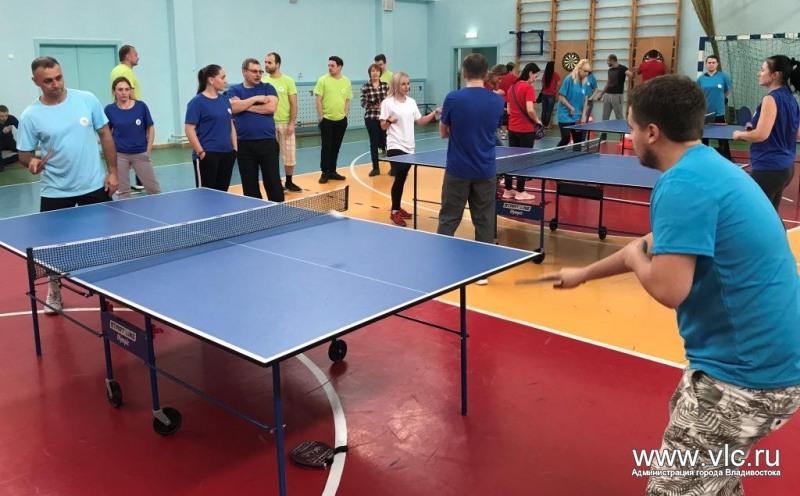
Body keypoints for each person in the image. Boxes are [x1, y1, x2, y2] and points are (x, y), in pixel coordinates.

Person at [545, 74, 800, 496]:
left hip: (745, 376)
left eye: (631, 128)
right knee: (717, 480)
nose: (629, 137)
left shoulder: (681, 184)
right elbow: (651, 244)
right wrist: (584, 274)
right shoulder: (710, 167)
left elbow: (668, 289)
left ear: (652, 132)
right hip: (773, 363)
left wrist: (633, 259)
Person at [17, 56, 118, 314]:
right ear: (35, 82)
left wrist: (113, 172)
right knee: (53, 247)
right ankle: (54, 289)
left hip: (94, 186)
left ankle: (111, 288)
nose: (56, 84)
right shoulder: (30, 115)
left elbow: (105, 134)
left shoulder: (87, 99)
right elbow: (24, 154)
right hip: (55, 191)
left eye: (59, 77)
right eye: (48, 81)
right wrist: (31, 162)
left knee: (106, 239)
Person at [437, 53, 505, 285]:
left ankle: (441, 266)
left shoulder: (453, 98)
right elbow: (491, 129)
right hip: (485, 170)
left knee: (449, 217)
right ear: (486, 74)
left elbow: (443, 132)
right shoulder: (497, 101)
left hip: (457, 169)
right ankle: (482, 273)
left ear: (464, 72)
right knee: (484, 220)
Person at [732, 55, 800, 210]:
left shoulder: (771, 99)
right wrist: (754, 126)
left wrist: (740, 134)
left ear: (775, 75)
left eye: (762, 70)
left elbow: (761, 135)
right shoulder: (791, 99)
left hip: (769, 168)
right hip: (786, 168)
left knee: (754, 215)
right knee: (770, 216)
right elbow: (797, 132)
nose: (759, 73)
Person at [379, 71, 439, 226]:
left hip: (410, 147)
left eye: (408, 84)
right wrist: (389, 121)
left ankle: (397, 207)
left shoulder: (411, 102)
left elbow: (420, 121)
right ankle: (394, 211)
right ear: (396, 85)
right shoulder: (387, 103)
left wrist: (434, 113)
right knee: (399, 175)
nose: (407, 87)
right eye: (403, 84)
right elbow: (383, 126)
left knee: (402, 177)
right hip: (395, 145)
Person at [228, 58, 284, 202]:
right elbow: (232, 108)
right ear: (244, 72)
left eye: (260, 71)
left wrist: (244, 106)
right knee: (249, 184)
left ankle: (279, 210)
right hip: (244, 144)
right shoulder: (234, 90)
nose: (258, 74)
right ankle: (255, 212)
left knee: (273, 181)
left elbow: (271, 108)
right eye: (254, 71)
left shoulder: (268, 88)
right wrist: (256, 99)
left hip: (268, 143)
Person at [104, 77, 161, 198]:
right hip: (120, 155)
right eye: (120, 90)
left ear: (130, 91)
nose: (124, 92)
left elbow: (150, 128)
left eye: (126, 89)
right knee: (123, 192)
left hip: (141, 154)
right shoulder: (109, 110)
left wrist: (148, 151)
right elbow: (106, 134)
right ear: (114, 91)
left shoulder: (141, 106)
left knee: (154, 190)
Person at [184, 64, 237, 191]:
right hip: (207, 155)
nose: (225, 81)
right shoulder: (196, 102)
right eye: (222, 77)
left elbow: (230, 124)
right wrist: (201, 153)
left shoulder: (224, 100)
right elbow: (189, 129)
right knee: (205, 196)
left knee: (222, 194)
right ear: (211, 80)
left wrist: (234, 149)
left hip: (227, 154)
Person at [503, 62, 542, 201]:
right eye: (535, 76)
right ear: (530, 73)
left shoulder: (512, 88)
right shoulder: (528, 88)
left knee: (512, 159)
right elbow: (530, 109)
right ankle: (520, 191)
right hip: (526, 130)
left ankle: (508, 190)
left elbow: (508, 110)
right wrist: (537, 121)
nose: (535, 79)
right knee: (524, 161)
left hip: (512, 129)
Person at [263, 52, 301, 192]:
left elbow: (293, 104)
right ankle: (276, 183)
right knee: (271, 156)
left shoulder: (288, 81)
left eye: (269, 62)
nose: (266, 65)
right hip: (269, 124)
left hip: (286, 124)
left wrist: (292, 123)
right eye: (265, 62)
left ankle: (289, 182)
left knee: (289, 155)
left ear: (277, 64)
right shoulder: (263, 81)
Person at [110, 44, 145, 191]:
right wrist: (137, 109)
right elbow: (131, 94)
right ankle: (138, 180)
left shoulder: (116, 70)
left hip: (122, 114)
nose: (138, 57)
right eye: (135, 54)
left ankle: (129, 181)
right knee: (135, 147)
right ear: (127, 56)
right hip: (131, 114)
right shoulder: (126, 71)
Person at [314, 56, 352, 184]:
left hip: (341, 120)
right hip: (327, 120)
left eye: (332, 65)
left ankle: (332, 171)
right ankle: (324, 172)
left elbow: (347, 100)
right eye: (329, 65)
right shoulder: (322, 80)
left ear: (339, 67)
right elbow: (318, 100)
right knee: (326, 147)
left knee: (336, 147)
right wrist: (321, 116)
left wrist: (345, 115)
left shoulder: (346, 82)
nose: (329, 67)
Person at [697, 55, 733, 159]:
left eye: (713, 62)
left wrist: (720, 100)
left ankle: (727, 158)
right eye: (709, 62)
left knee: (722, 138)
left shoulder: (723, 77)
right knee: (704, 138)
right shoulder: (701, 79)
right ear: (706, 64)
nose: (711, 64)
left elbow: (727, 91)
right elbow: (697, 94)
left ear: (717, 64)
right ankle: (703, 158)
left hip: (719, 113)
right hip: (705, 113)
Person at [361, 63, 389, 177]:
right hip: (371, 118)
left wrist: (384, 106)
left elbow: (390, 100)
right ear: (370, 73)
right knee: (374, 143)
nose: (375, 73)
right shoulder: (365, 87)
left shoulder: (385, 86)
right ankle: (375, 168)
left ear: (380, 73)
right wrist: (374, 106)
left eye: (377, 71)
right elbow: (363, 103)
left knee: (387, 142)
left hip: (384, 119)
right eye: (372, 71)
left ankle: (394, 167)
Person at [556, 59, 591, 147]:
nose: (587, 73)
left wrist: (584, 115)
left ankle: (577, 155)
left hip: (577, 116)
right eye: (585, 71)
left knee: (578, 141)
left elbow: (586, 99)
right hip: (564, 115)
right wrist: (570, 107)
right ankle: (555, 153)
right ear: (579, 69)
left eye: (588, 72)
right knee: (566, 139)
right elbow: (561, 97)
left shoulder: (585, 82)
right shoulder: (569, 79)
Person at [596, 54, 632, 121]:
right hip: (607, 95)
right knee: (605, 116)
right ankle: (604, 128)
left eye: (608, 61)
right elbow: (608, 83)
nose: (607, 62)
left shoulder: (622, 68)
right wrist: (601, 95)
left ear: (612, 60)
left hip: (617, 96)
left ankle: (621, 128)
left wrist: (631, 73)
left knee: (619, 116)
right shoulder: (610, 70)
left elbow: (630, 75)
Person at [540, 61, 561, 128]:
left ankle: (542, 124)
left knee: (544, 110)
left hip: (544, 95)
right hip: (551, 95)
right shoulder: (555, 75)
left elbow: (542, 83)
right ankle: (546, 125)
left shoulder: (545, 74)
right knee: (549, 111)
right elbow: (559, 83)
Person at [0, 105, 19, 169]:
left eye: (6, 115)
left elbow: (21, 128)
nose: (5, 118)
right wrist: (3, 132)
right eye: (2, 116)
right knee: (1, 168)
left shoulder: (11, 118)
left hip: (9, 142)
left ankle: (3, 162)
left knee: (24, 154)